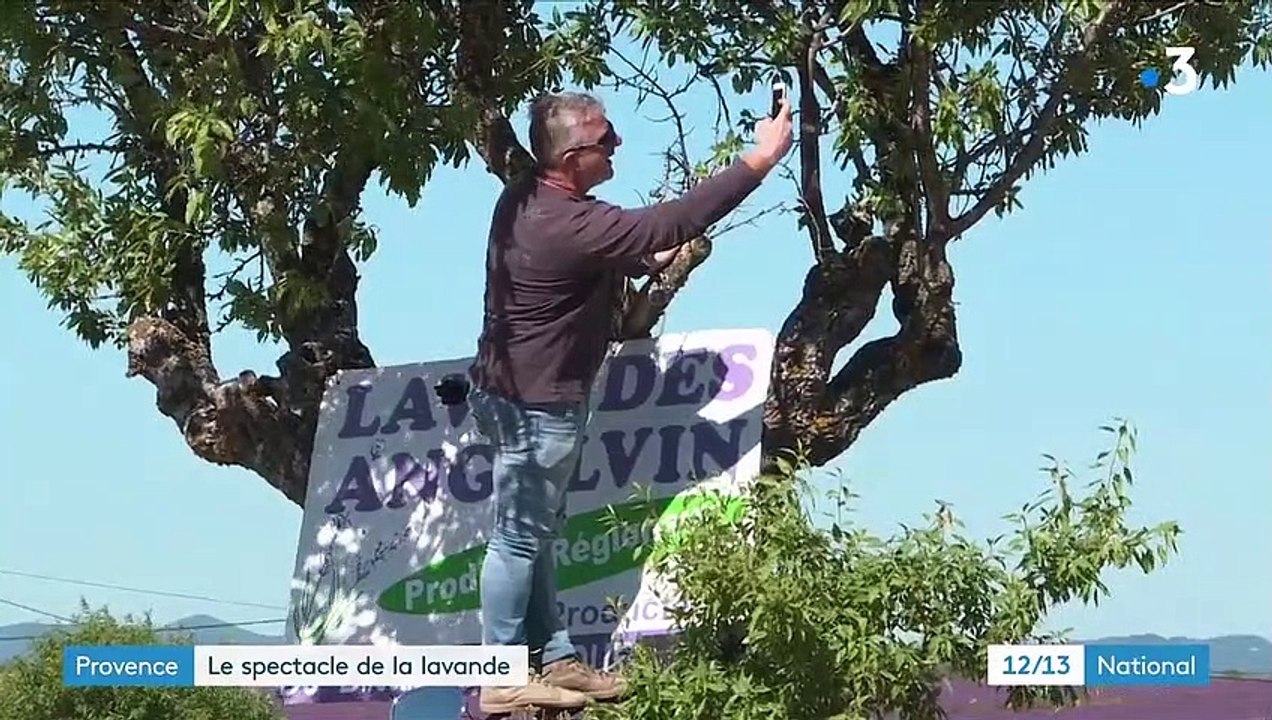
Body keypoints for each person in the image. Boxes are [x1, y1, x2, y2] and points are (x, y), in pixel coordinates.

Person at [465, 90, 794, 713]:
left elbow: (628, 243)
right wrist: (761, 159)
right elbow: (665, 224)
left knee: (533, 534)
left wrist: (638, 252)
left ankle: (556, 657)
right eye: (605, 138)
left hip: (512, 393)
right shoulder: (567, 223)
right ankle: (503, 672)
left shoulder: (528, 199)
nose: (617, 145)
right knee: (514, 539)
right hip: (539, 406)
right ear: (569, 157)